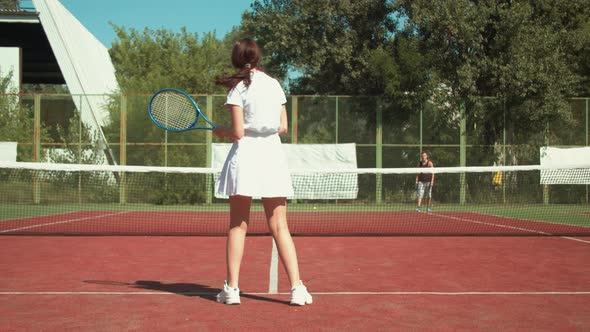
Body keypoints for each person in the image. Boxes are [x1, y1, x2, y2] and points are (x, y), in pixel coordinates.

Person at [212, 38, 312, 306]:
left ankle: (231, 290)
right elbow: (283, 127)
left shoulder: (238, 90)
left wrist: (221, 131)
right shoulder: (274, 84)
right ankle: (297, 290)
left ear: (236, 59)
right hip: (272, 156)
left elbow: (237, 133)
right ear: (257, 58)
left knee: (237, 225)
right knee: (280, 226)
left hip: (246, 157)